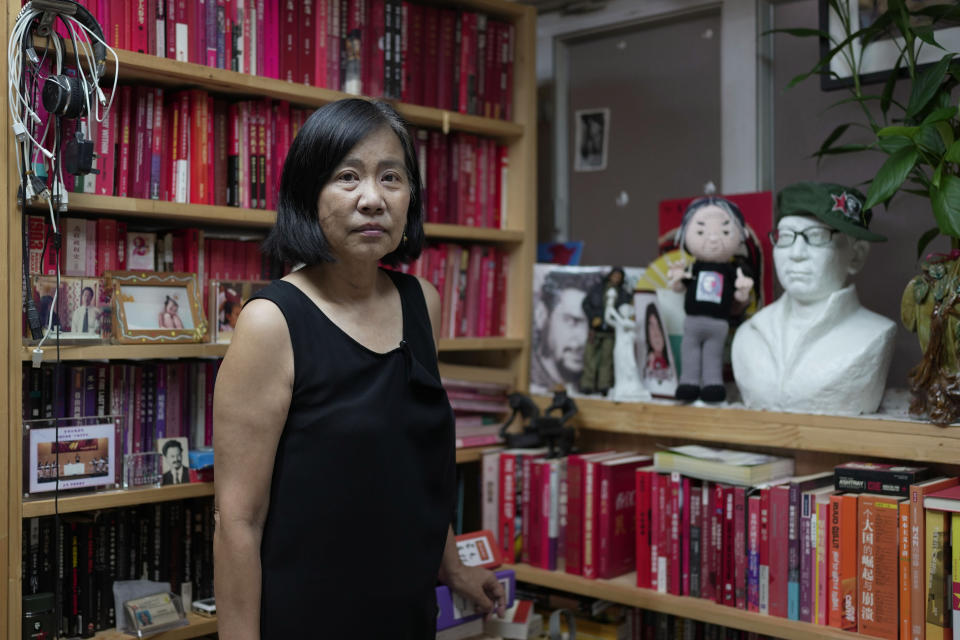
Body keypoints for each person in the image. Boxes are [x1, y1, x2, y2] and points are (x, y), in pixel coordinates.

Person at [213, 99, 505, 640]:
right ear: (308, 192)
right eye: (347, 177)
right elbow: (238, 522)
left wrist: (455, 565)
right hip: (308, 618)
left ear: (410, 196)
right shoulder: (270, 323)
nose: (372, 199)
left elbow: (415, 464)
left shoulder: (423, 303)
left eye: (391, 177)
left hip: (407, 613)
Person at [731, 182, 895, 415]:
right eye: (786, 236)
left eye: (817, 236)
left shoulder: (874, 335)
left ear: (856, 256)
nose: (796, 254)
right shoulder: (750, 334)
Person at [667, 196, 754, 403]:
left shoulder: (732, 271)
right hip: (693, 322)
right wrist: (677, 279)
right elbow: (680, 287)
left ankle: (712, 385)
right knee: (689, 354)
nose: (713, 239)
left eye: (725, 232)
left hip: (719, 324)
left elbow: (738, 301)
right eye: (700, 231)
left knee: (713, 357)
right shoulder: (694, 267)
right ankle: (688, 383)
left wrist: (742, 294)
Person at [530, 270, 591, 394]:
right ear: (541, 315)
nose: (584, 339)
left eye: (590, 326)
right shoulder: (530, 383)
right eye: (572, 321)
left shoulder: (586, 382)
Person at [580, 267, 632, 395]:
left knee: (607, 359)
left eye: (619, 277)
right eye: (614, 275)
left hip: (610, 331)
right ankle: (587, 384)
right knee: (590, 357)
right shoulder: (598, 289)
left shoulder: (623, 294)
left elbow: (625, 310)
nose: (616, 278)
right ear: (610, 275)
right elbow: (586, 304)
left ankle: (604, 385)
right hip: (595, 329)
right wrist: (593, 318)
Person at [643, 303, 673, 383]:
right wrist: (651, 363)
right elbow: (648, 379)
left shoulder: (669, 362)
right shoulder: (648, 360)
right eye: (652, 327)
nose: (656, 334)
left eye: (658, 327)